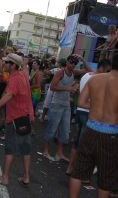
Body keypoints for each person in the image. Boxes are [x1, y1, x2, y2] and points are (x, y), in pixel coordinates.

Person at [69, 53, 118, 198]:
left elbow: (82, 103)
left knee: (78, 172)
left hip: (90, 129)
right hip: (111, 135)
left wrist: (97, 106)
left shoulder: (95, 79)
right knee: (106, 179)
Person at [0, 53, 34, 186]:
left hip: (15, 118)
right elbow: (24, 66)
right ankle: (26, 177)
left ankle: (4, 178)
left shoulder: (15, 78)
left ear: (12, 66)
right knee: (25, 149)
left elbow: (9, 95)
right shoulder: (23, 74)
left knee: (10, 149)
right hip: (26, 116)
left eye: (6, 62)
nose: (3, 64)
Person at [66, 59, 111, 176]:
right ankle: (78, 171)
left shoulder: (86, 75)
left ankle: (70, 168)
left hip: (80, 112)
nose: (108, 73)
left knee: (77, 141)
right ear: (103, 68)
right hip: (89, 112)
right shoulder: (98, 79)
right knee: (85, 144)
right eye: (107, 70)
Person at [43, 54, 92, 161]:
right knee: (51, 128)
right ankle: (45, 151)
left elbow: (90, 71)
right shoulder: (61, 72)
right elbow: (52, 87)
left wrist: (83, 59)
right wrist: (67, 89)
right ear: (67, 62)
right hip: (56, 104)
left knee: (65, 131)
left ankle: (59, 153)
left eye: (75, 63)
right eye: (71, 62)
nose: (73, 65)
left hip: (66, 105)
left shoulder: (74, 72)